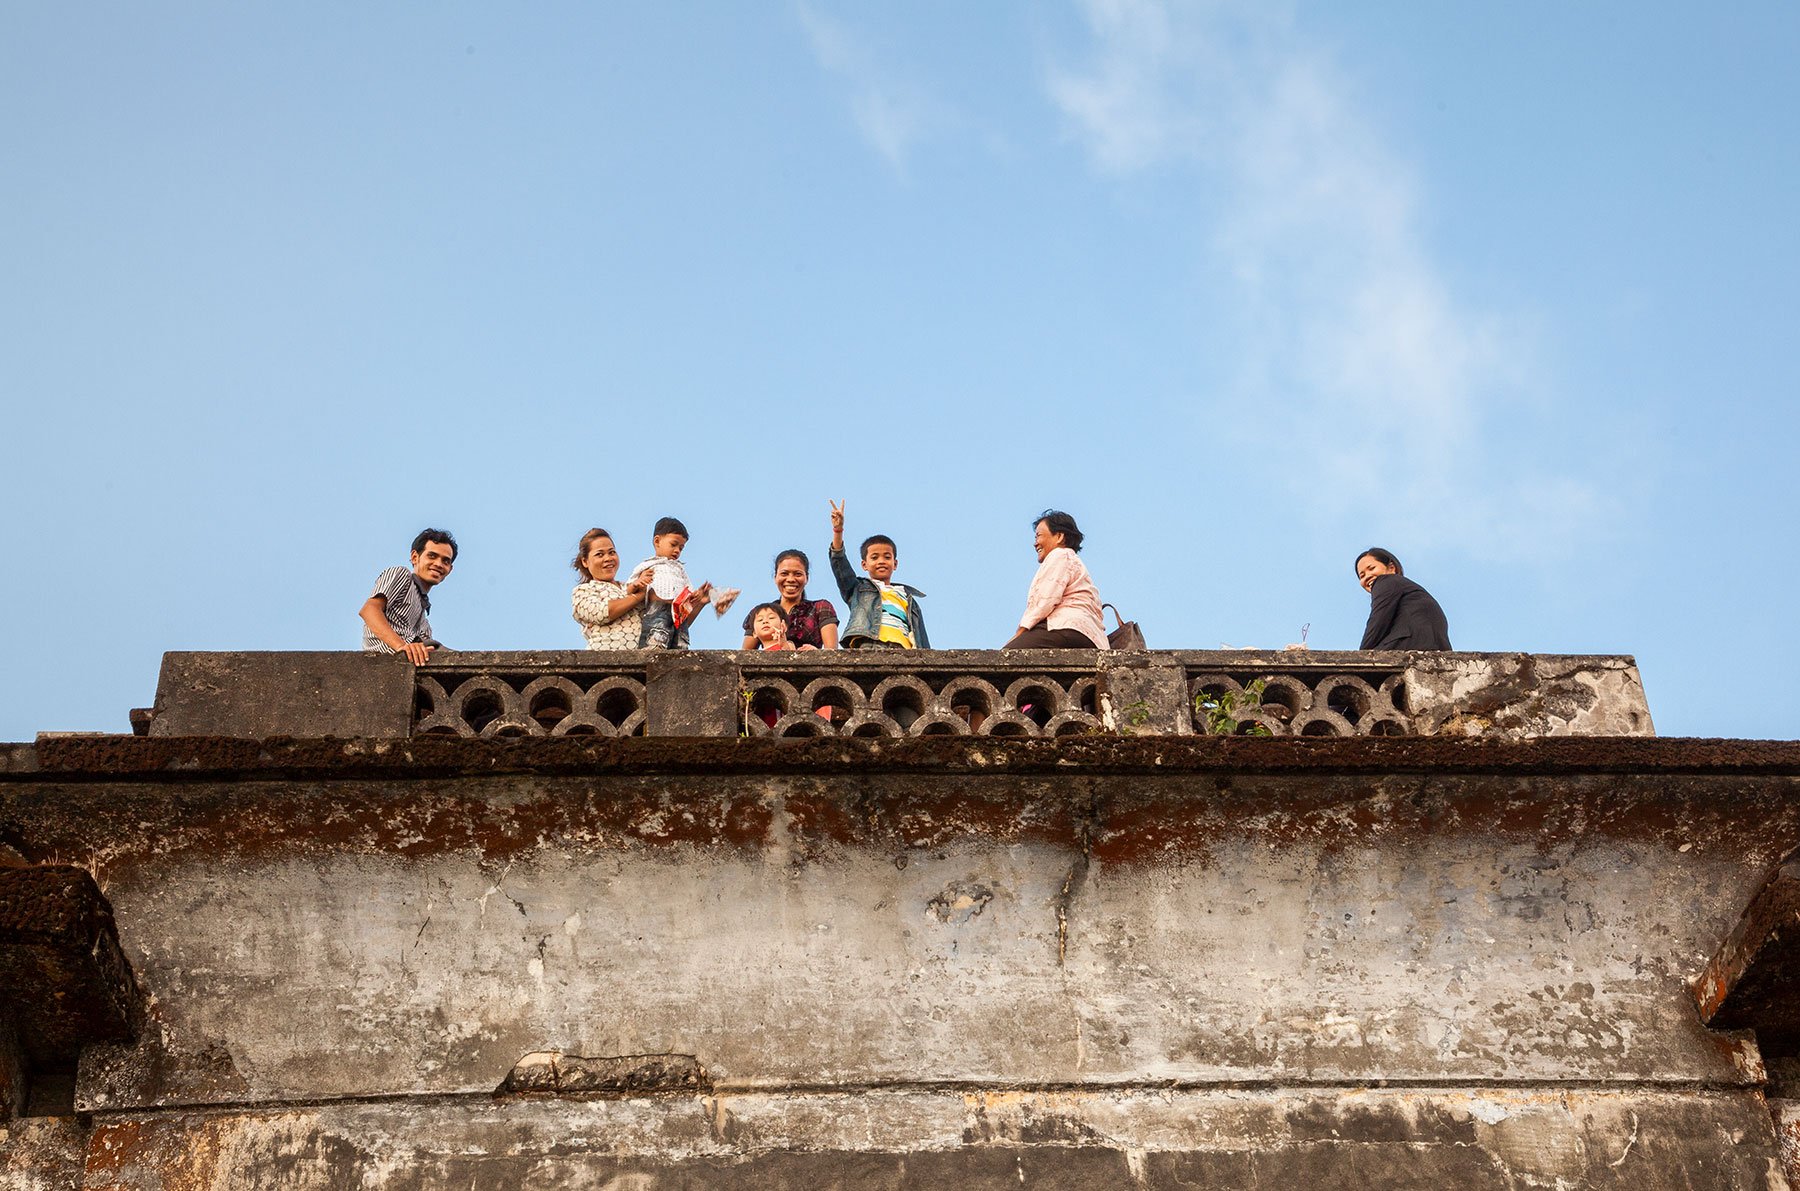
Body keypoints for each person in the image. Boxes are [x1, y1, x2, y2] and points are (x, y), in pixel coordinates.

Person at [827, 500, 929, 649]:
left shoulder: (906, 597)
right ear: (864, 565)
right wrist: (838, 531)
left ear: (895, 564)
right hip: (868, 643)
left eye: (887, 557)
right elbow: (840, 564)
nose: (881, 561)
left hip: (902, 647)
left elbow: (921, 636)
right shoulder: (857, 589)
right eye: (874, 557)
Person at [1003, 510, 1109, 650]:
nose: (1035, 544)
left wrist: (1020, 633)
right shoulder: (1074, 562)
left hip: (1066, 626)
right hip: (1091, 637)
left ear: (1059, 536)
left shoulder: (1059, 555)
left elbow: (1045, 600)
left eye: (1038, 536)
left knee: (1007, 657)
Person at [359, 529, 456, 664]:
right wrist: (402, 647)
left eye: (445, 561)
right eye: (432, 556)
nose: (438, 564)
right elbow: (369, 610)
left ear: (450, 570)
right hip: (385, 661)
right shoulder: (402, 575)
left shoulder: (424, 622)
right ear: (415, 557)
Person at [625, 517, 714, 650]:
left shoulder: (680, 570)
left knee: (680, 641)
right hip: (657, 607)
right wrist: (637, 584)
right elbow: (628, 589)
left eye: (681, 548)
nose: (677, 550)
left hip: (678, 611)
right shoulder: (648, 565)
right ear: (657, 541)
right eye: (673, 545)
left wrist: (697, 596)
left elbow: (688, 593)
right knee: (656, 635)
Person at [570, 528, 652, 650]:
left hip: (638, 662)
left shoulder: (630, 585)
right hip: (603, 661)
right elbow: (601, 613)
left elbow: (657, 617)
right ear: (585, 561)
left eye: (612, 552)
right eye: (599, 554)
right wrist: (637, 597)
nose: (608, 558)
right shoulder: (583, 591)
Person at [739, 550, 838, 650]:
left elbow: (831, 653)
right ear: (775, 577)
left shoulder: (820, 607)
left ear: (806, 578)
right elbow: (744, 655)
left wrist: (815, 653)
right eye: (784, 573)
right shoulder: (760, 612)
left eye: (798, 574)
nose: (790, 579)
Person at [1356, 547, 1452, 650]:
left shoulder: (1386, 581)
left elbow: (1378, 620)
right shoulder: (1409, 589)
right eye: (1362, 575)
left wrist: (1359, 656)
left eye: (1371, 568)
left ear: (1391, 568)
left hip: (1409, 642)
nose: (1368, 576)